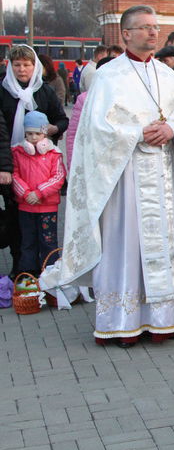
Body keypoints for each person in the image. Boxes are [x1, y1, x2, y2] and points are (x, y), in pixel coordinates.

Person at [39, 5, 174, 346]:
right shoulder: (108, 76)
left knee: (165, 245)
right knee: (126, 246)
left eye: (156, 27)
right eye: (144, 28)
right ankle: (122, 321)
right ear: (126, 34)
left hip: (164, 175)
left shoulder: (168, 75)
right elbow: (96, 130)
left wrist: (172, 129)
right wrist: (138, 133)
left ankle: (165, 319)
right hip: (124, 180)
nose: (153, 33)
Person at [0, 45, 68, 276]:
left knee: (43, 225)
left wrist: (54, 128)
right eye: (17, 65)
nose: (21, 69)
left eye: (26, 65)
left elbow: (62, 119)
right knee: (15, 216)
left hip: (40, 164)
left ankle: (47, 270)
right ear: (10, 66)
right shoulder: (3, 89)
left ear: (35, 66)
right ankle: (20, 265)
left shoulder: (44, 91)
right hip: (11, 162)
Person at [12, 111, 65, 276]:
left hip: (47, 208)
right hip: (26, 207)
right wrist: (26, 193)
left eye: (37, 133)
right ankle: (29, 274)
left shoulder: (54, 154)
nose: (33, 137)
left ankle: (50, 274)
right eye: (29, 134)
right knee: (28, 241)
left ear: (44, 134)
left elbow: (58, 177)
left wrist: (39, 193)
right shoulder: (18, 153)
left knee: (49, 242)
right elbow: (15, 175)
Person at [66, 56, 113, 170]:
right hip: (93, 162)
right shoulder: (85, 99)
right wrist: (73, 165)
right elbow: (74, 134)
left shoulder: (128, 99)